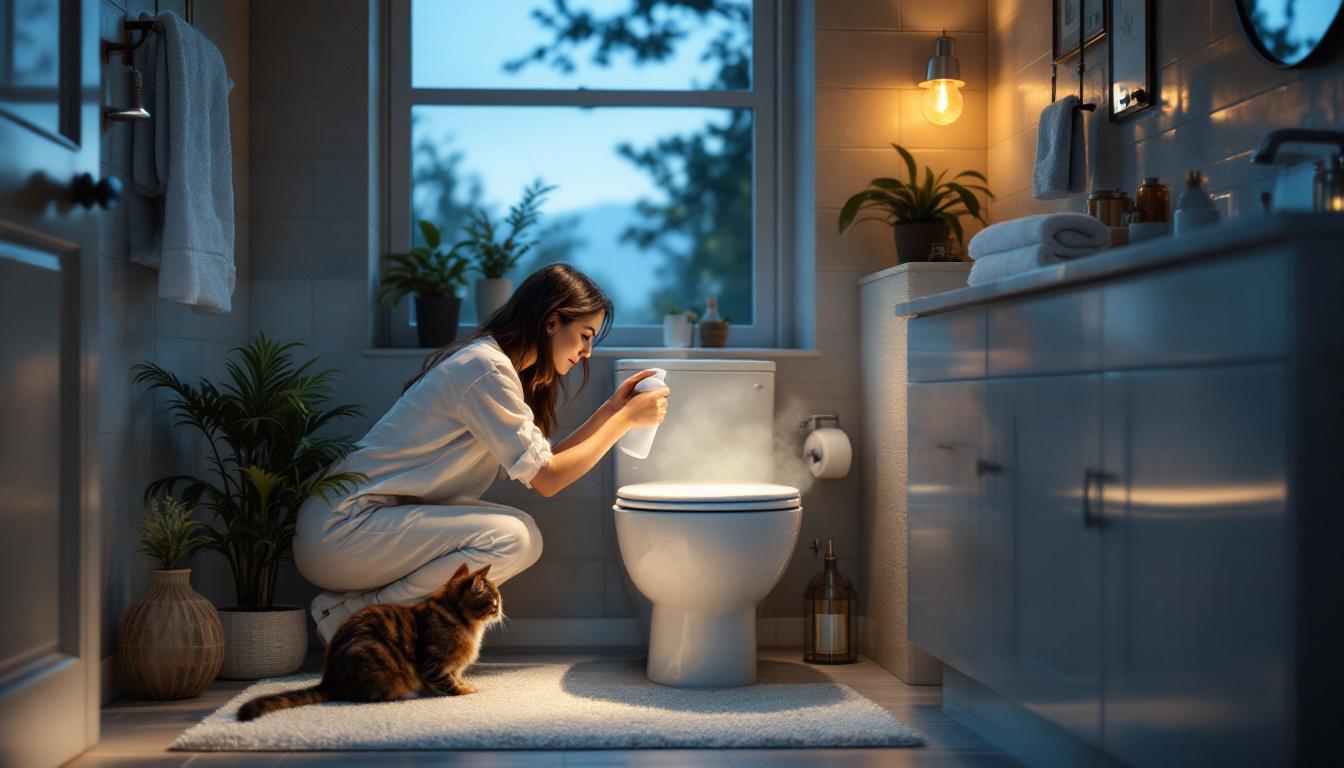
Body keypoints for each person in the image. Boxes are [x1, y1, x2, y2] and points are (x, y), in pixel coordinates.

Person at [293, 263, 670, 642]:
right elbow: (549, 479)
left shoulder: (495, 368)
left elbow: (546, 463)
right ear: (552, 321)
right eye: (585, 336)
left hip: (361, 523)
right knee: (514, 538)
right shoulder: (486, 370)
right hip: (341, 529)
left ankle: (353, 615)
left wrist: (612, 411)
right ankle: (359, 619)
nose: (587, 352)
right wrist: (623, 423)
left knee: (520, 534)